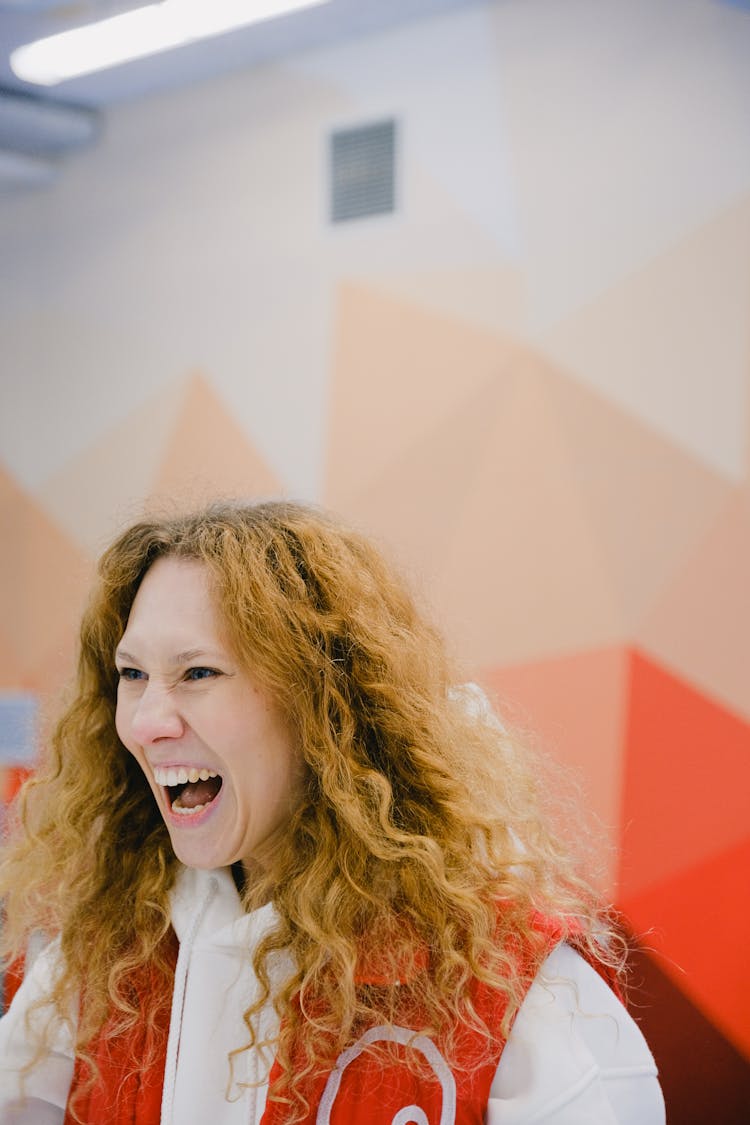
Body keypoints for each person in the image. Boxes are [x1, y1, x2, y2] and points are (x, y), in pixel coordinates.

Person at [0, 501, 665, 1124]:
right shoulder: (98, 956)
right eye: (132, 674)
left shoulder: (514, 993)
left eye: (198, 672)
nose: (145, 722)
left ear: (324, 706)